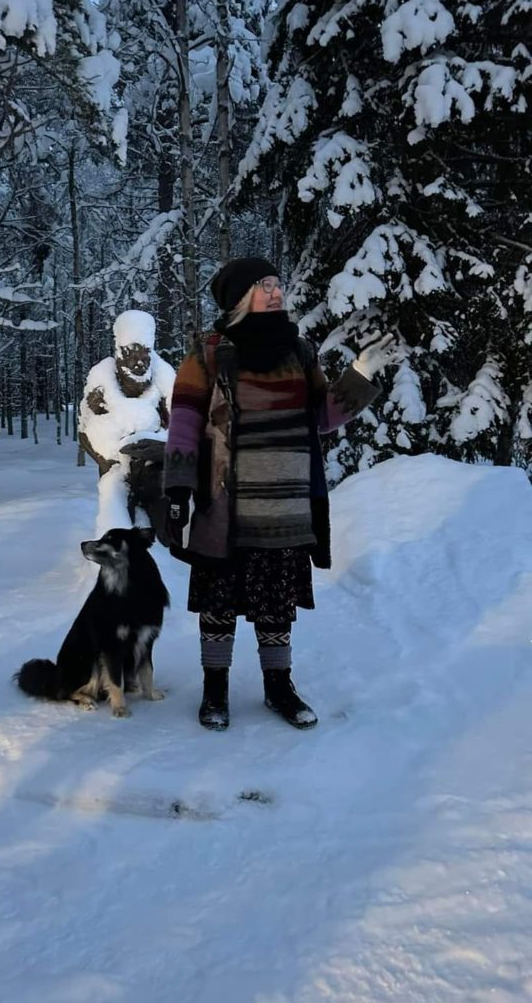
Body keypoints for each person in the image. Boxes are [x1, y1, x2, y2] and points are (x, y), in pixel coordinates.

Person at [163, 257, 395, 731]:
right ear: (239, 298)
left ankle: (278, 688)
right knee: (219, 603)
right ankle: (215, 689)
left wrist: (361, 374)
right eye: (264, 285)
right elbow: (184, 424)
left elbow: (321, 418)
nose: (275, 291)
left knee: (276, 604)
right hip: (225, 507)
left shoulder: (300, 351)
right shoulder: (208, 354)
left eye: (277, 283)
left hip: (287, 506)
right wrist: (178, 488)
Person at [79, 309, 175, 537]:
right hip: (115, 464)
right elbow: (84, 427)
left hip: (155, 466)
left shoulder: (164, 378)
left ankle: (164, 557)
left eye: (144, 356)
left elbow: (182, 425)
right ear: (119, 352)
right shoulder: (102, 381)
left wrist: (163, 448)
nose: (139, 364)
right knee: (116, 501)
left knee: (162, 503)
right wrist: (109, 455)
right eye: (131, 356)